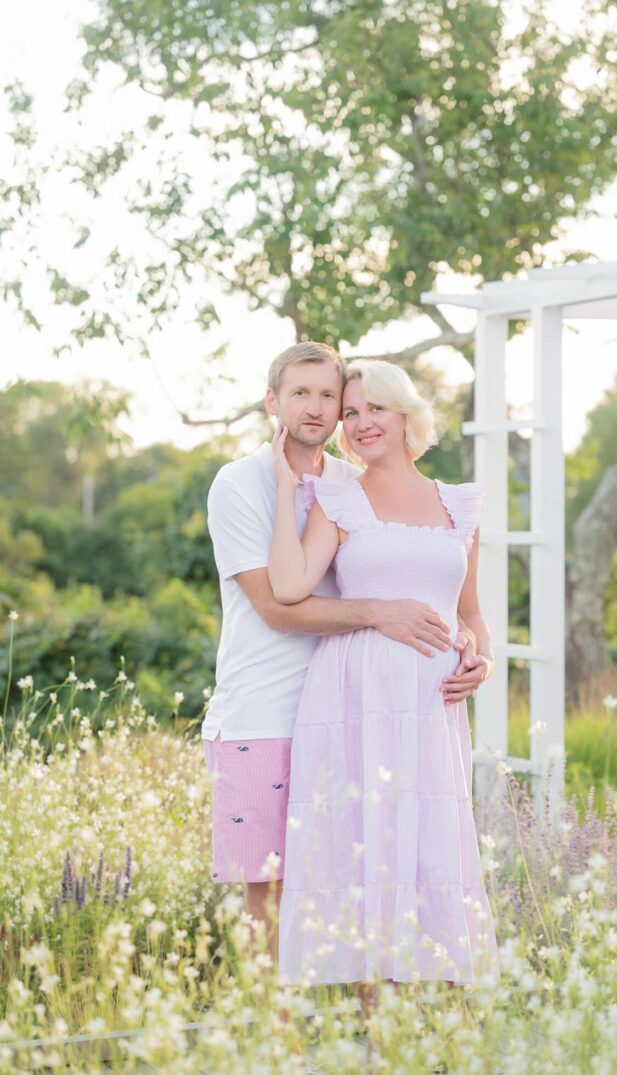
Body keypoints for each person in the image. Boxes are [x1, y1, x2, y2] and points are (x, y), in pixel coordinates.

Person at [202, 342, 486, 960]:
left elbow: (431, 584)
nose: (320, 407)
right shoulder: (240, 483)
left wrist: (468, 647)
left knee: (355, 878)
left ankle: (358, 1032)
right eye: (300, 393)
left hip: (354, 713)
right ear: (272, 400)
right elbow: (279, 606)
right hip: (265, 712)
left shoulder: (351, 483)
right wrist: (382, 616)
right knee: (269, 889)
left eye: (329, 395)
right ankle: (272, 1043)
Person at [269, 358, 500, 987]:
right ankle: (379, 1037)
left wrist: (479, 656)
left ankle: (438, 1028)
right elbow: (289, 586)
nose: (361, 422)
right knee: (365, 845)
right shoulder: (338, 497)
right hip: (357, 696)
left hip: (432, 705)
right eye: (350, 413)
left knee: (429, 848)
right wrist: (289, 486)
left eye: (374, 408)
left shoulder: (459, 504)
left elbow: (470, 612)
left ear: (406, 415)